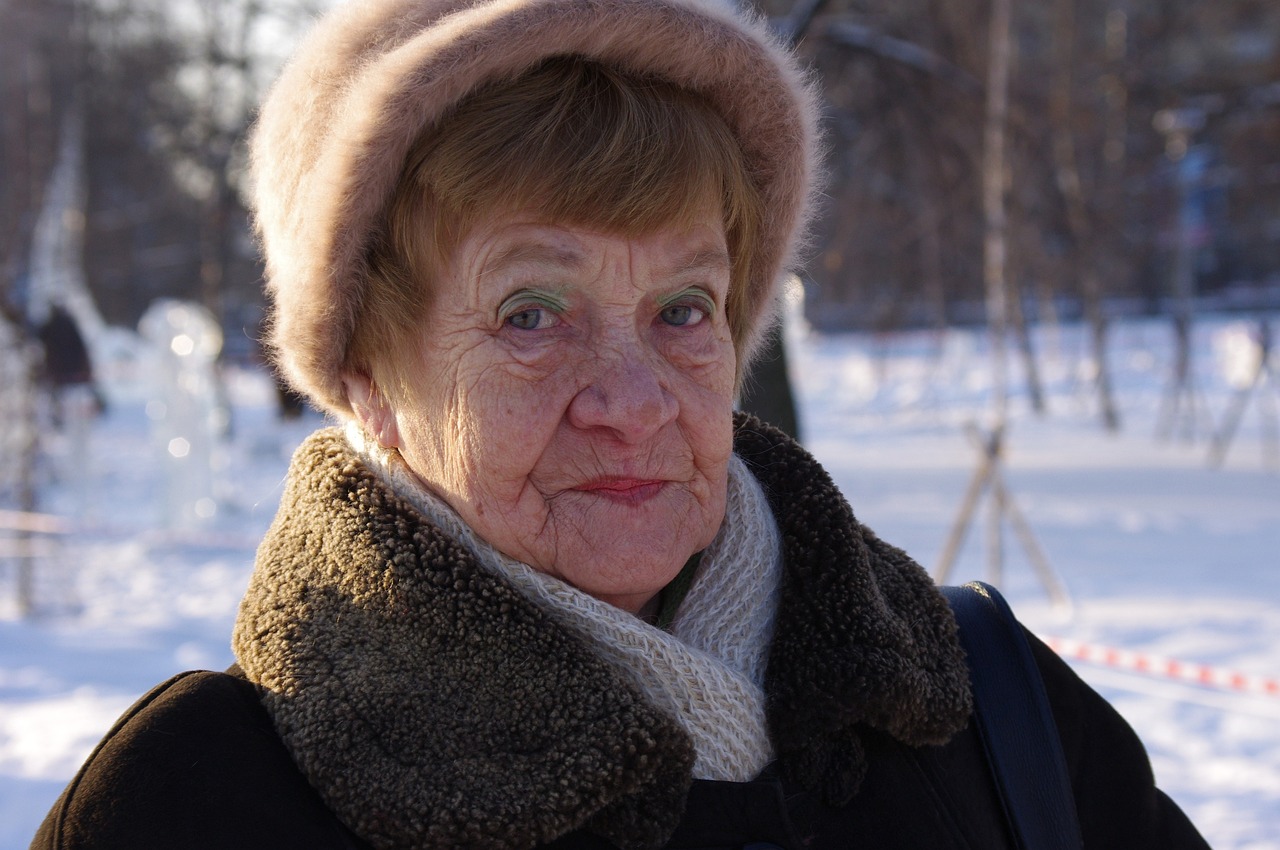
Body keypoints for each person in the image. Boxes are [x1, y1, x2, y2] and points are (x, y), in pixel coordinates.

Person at [33, 0, 1210, 847]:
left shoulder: (985, 710)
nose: (635, 401)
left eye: (682, 308)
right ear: (369, 374)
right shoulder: (198, 801)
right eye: (531, 312)